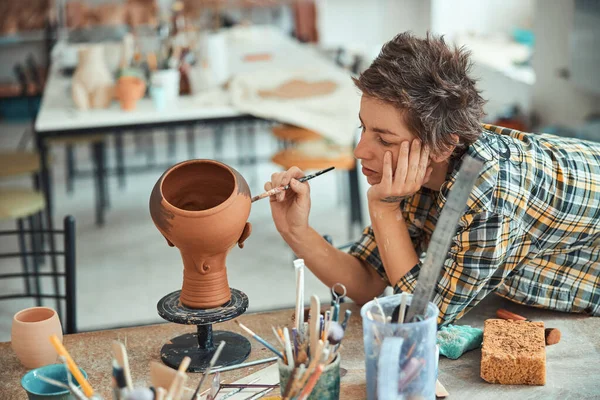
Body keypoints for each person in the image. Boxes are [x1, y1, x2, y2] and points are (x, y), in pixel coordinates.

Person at [264, 32, 600, 325]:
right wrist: (296, 230)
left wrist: (385, 210)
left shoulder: (490, 196)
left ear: (443, 145)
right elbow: (368, 281)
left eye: (384, 139)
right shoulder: (415, 171)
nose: (360, 151)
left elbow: (421, 315)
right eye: (362, 128)